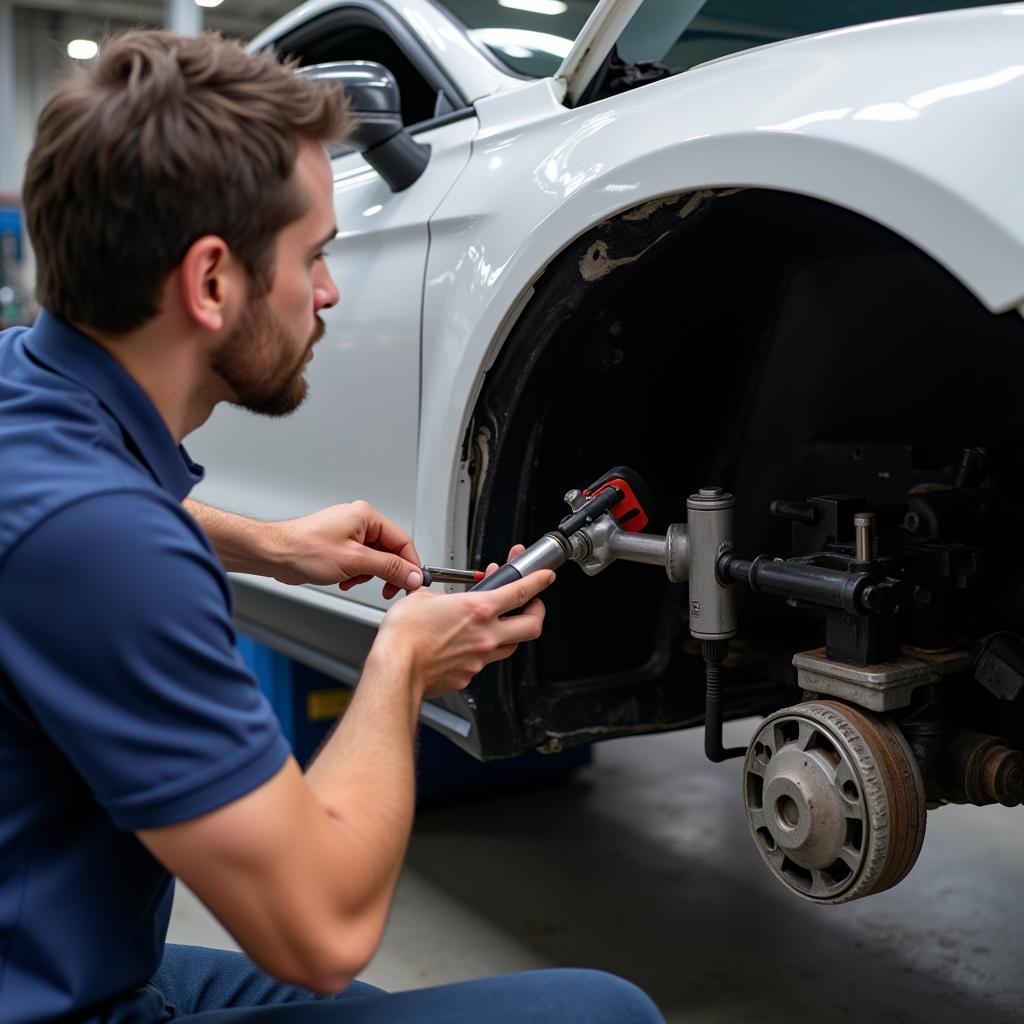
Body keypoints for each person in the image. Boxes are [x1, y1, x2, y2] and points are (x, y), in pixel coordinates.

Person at [0, 29, 664, 1024]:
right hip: (58, 1000)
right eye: (311, 254)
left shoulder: (23, 379)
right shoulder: (111, 548)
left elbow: (70, 522)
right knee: (603, 1011)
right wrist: (398, 668)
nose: (328, 290)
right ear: (211, 281)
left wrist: (269, 546)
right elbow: (318, 931)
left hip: (44, 943)